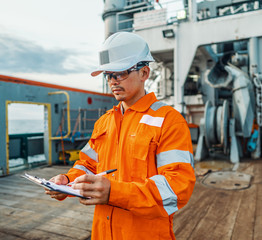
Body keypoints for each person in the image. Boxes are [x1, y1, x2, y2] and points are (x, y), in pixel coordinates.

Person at [46, 32, 196, 240]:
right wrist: (67, 181)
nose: (113, 81)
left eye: (121, 73)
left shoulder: (169, 121)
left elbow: (177, 189)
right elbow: (87, 165)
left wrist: (114, 193)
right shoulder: (105, 122)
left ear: (144, 73)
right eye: (109, 75)